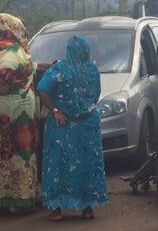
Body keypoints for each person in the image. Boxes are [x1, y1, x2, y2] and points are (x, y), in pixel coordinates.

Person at [37, 35, 108, 220]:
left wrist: (54, 110)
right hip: (88, 125)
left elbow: (42, 89)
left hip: (63, 126)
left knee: (59, 164)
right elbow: (96, 96)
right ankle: (87, 208)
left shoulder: (59, 69)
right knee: (87, 163)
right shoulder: (93, 69)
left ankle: (56, 209)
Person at [0, 13, 40, 214]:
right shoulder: (16, 50)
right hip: (17, 109)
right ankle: (18, 199)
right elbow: (19, 71)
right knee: (19, 152)